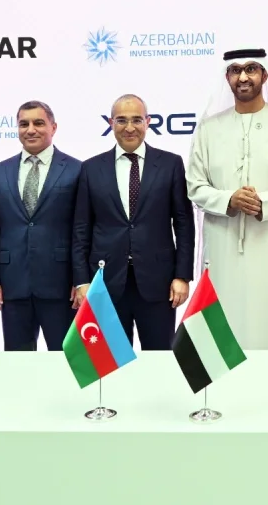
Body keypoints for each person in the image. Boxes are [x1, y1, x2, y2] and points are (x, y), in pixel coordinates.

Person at [187, 48, 268, 350]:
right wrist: (228, 200)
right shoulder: (208, 128)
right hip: (223, 250)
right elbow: (194, 186)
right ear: (227, 78)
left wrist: (265, 204)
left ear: (264, 75)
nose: (243, 76)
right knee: (224, 328)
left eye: (251, 69)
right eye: (236, 70)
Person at [72, 94, 194, 350]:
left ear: (148, 122)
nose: (129, 127)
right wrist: (82, 281)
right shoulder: (90, 168)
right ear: (110, 123)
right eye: (121, 120)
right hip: (105, 282)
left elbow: (183, 224)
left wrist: (182, 276)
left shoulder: (171, 164)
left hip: (158, 282)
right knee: (111, 359)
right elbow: (81, 228)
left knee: (159, 357)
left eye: (137, 120)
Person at [0, 101, 82, 351]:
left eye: (38, 123)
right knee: (18, 363)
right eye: (23, 124)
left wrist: (81, 280)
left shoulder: (77, 169)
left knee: (66, 360)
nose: (30, 130)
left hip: (61, 286)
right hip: (12, 284)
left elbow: (82, 231)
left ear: (53, 127)